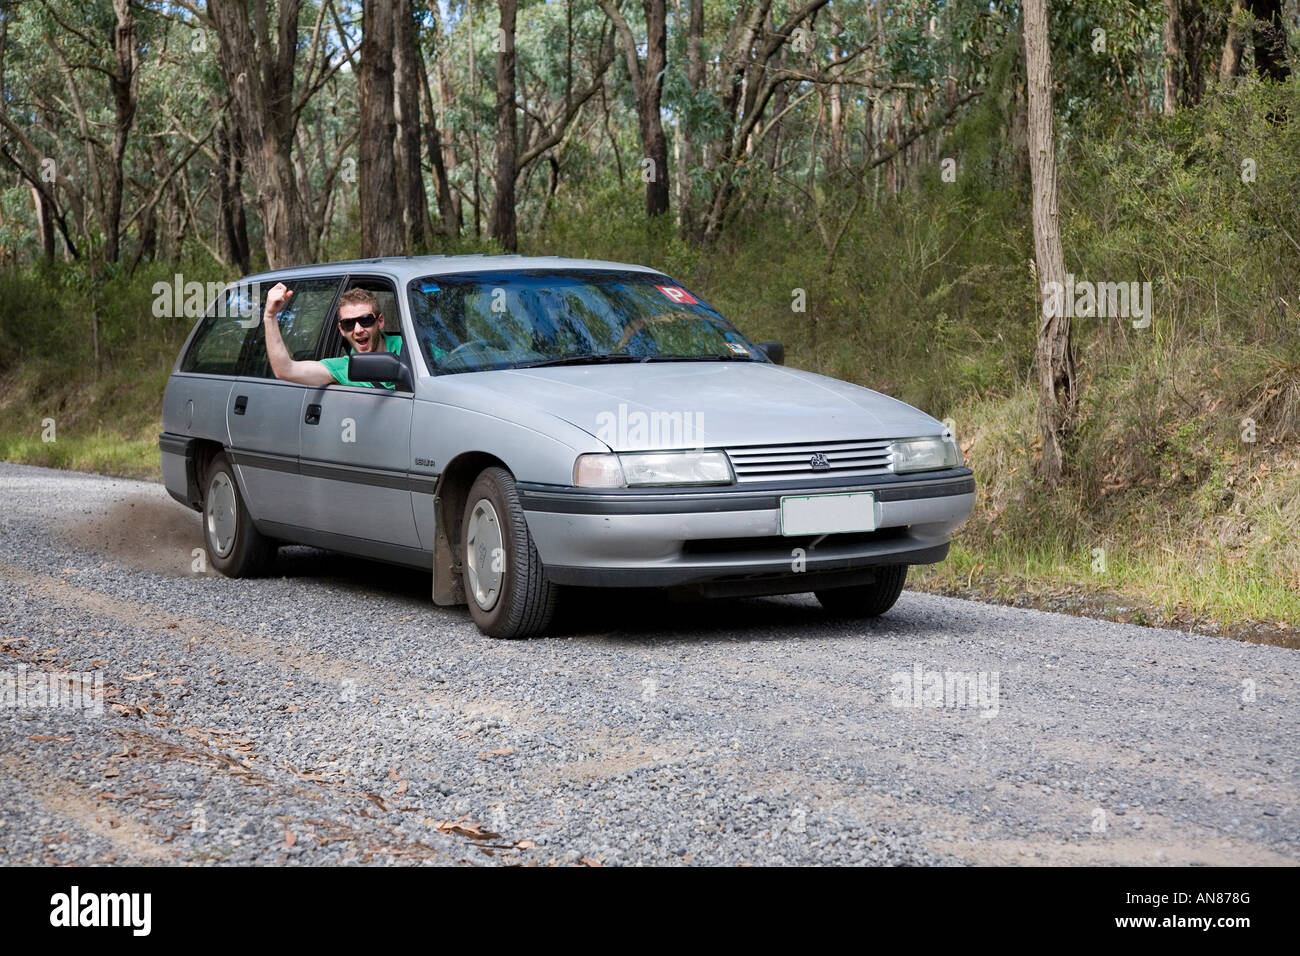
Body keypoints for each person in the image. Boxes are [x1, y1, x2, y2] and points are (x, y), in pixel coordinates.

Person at [262, 282, 403, 389]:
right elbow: (286, 371)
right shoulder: (343, 368)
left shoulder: (409, 348)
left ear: (380, 321)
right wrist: (270, 316)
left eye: (365, 320)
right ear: (341, 329)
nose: (358, 329)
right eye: (349, 324)